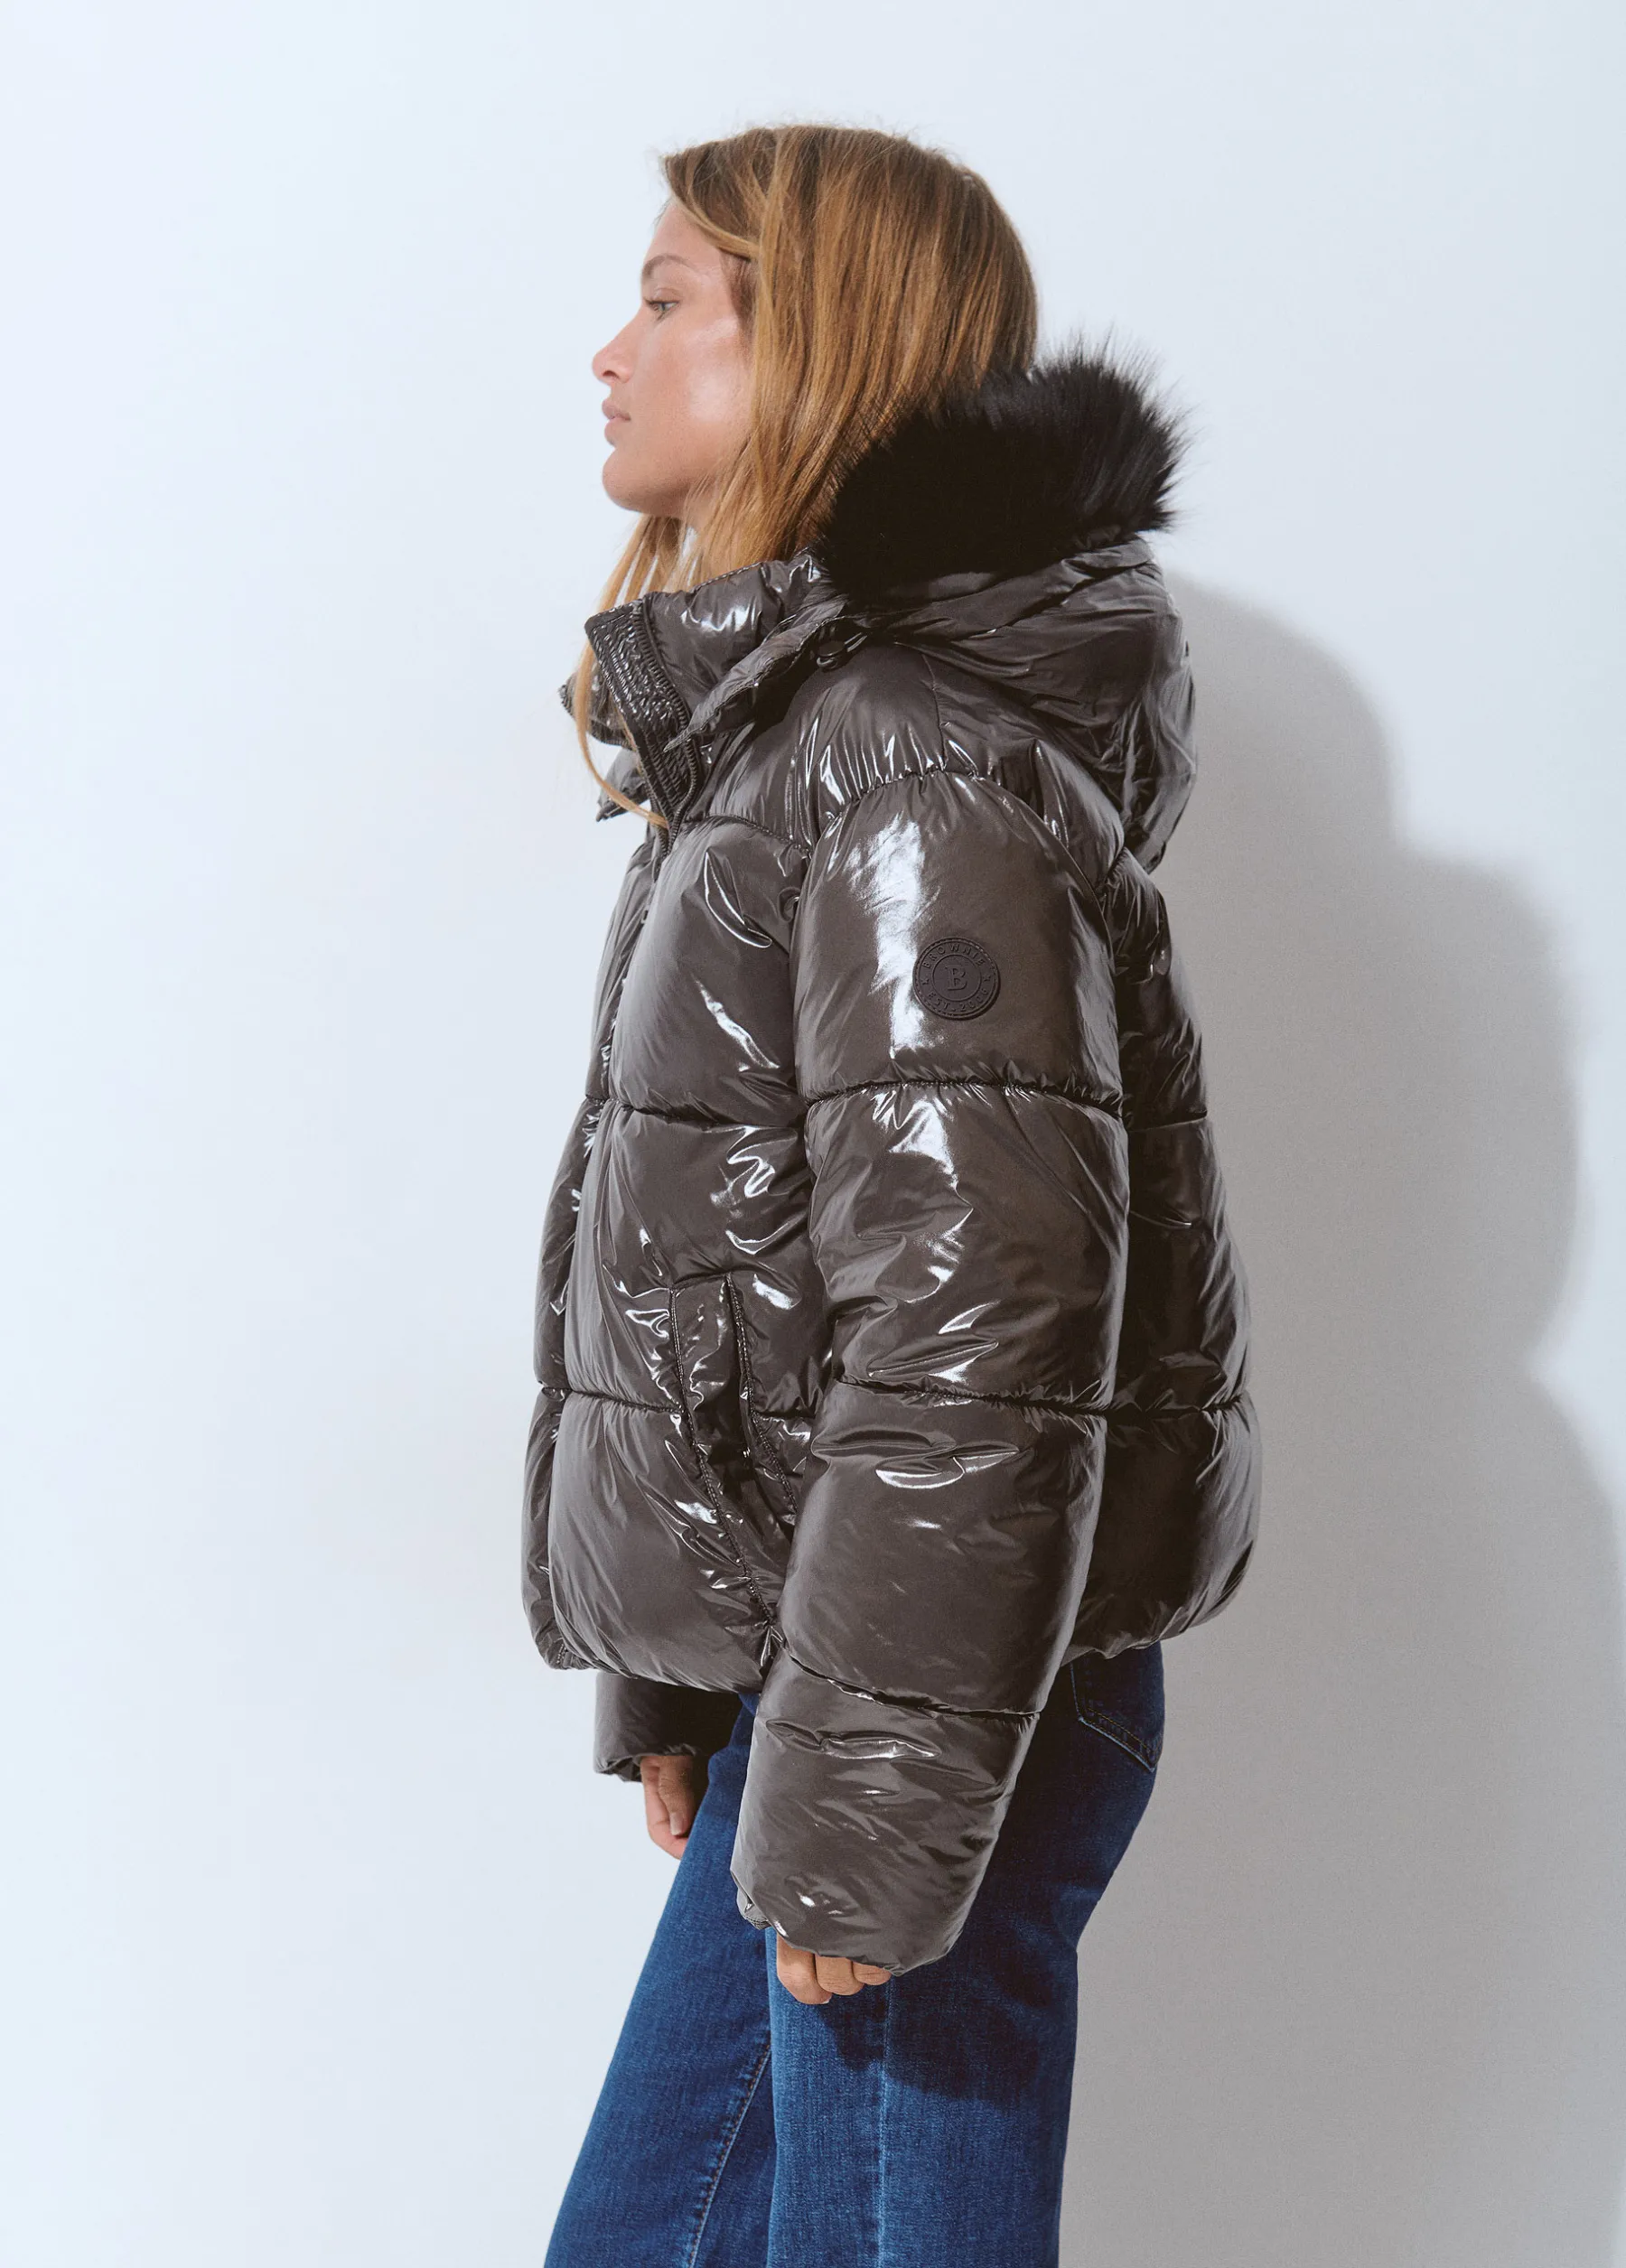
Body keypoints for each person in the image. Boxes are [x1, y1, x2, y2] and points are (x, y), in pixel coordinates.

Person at [526, 122, 1260, 2267]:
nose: (609, 352)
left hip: (938, 1680)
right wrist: (686, 1672)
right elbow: (746, 1262)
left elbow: (980, 1315)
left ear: (816, 345)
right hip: (856, 1665)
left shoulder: (905, 763)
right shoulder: (811, 737)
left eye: (668, 299)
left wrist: (859, 1782)